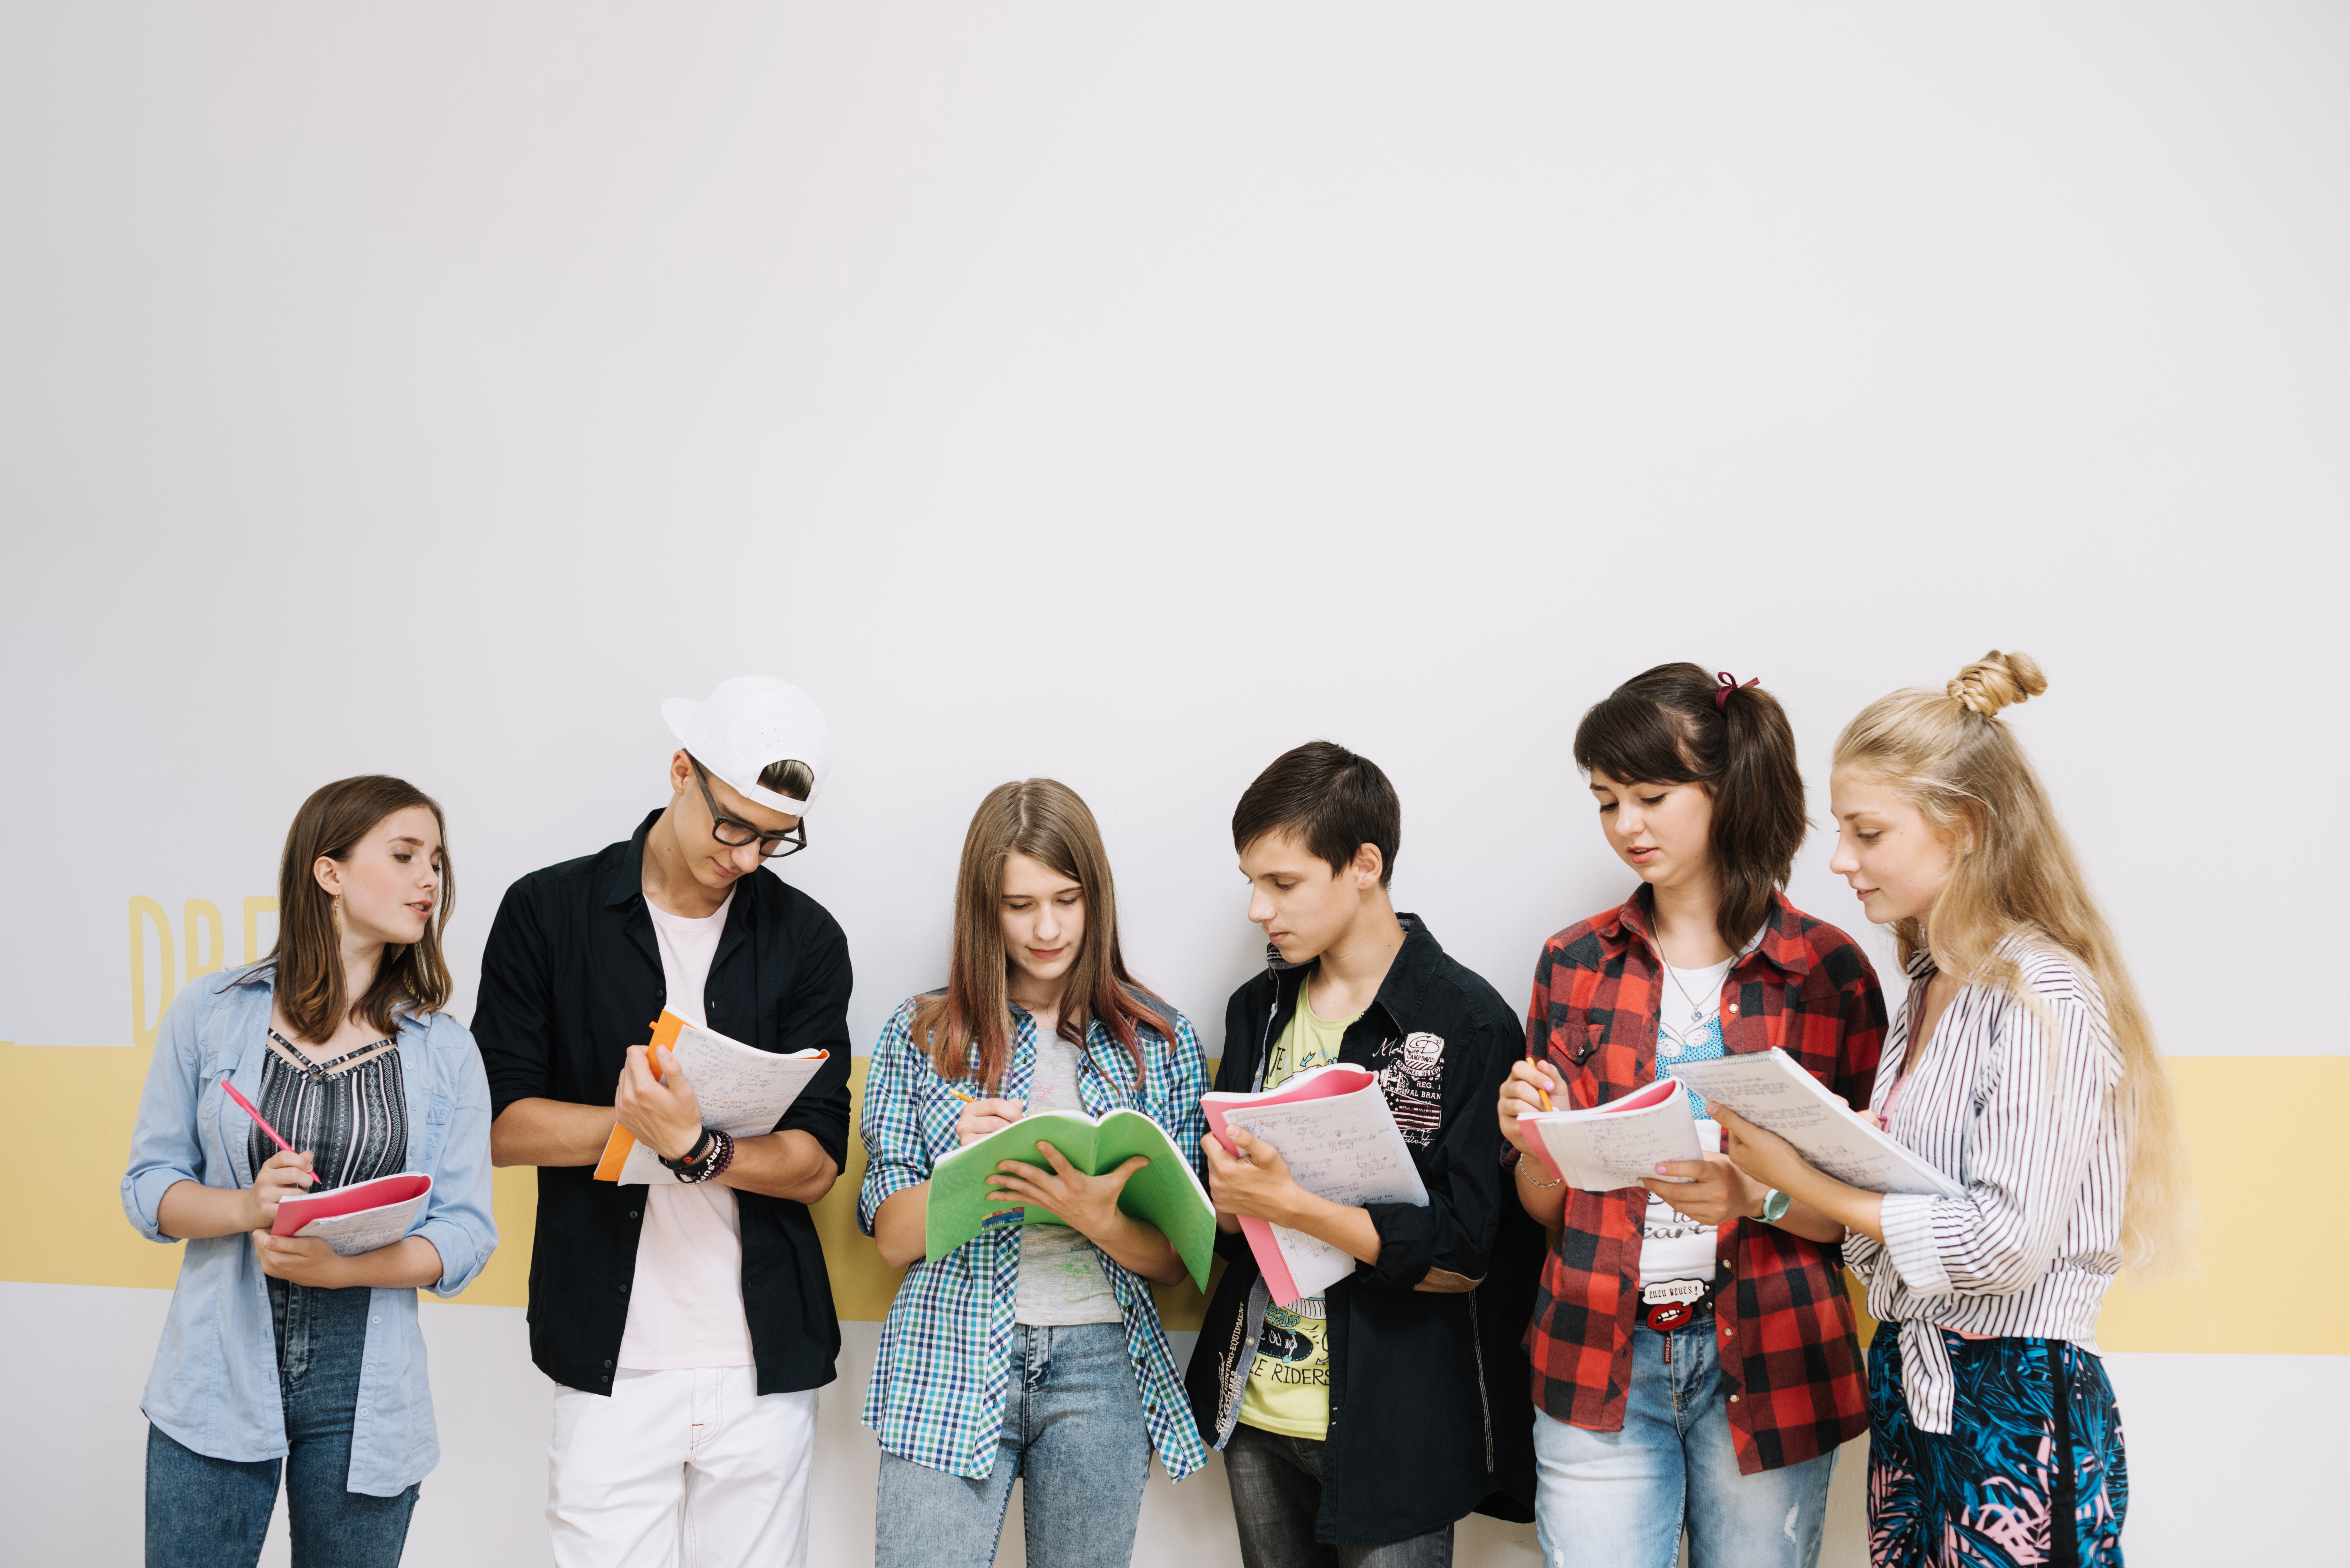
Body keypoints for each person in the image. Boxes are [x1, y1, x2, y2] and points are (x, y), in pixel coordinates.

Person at [1709, 652, 2194, 1568]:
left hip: (2014, 1398)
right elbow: (1894, 1230)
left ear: (1965, 827)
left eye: (1867, 832)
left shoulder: (2044, 995)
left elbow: (2003, 1246)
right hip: (1910, 1381)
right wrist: (1760, 1194)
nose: (1842, 862)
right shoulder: (1930, 988)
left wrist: (1808, 1180)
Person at [1498, 665, 1888, 1568]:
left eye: (1651, 796)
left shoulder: (1831, 972)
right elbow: (1548, 1206)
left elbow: (1870, 1217)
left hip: (1774, 1355)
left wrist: (1757, 1196)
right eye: (1605, 802)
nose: (1625, 826)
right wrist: (1532, 1145)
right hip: (1599, 1349)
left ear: (1730, 789)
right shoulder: (1572, 963)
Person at [472, 676, 854, 1568]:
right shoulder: (548, 912)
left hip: (764, 1359)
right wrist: (636, 1121)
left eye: (776, 839)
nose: (751, 858)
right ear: (682, 771)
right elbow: (498, 1124)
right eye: (735, 827)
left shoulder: (808, 941)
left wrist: (693, 1146)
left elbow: (814, 1163)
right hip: (611, 1358)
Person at [122, 776, 498, 1568]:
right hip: (217, 1369)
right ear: (328, 872)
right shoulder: (211, 1011)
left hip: (367, 1390)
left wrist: (341, 1268)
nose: (430, 878)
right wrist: (246, 1206)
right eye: (404, 855)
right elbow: (150, 1186)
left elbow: (465, 1233)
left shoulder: (444, 1048)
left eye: (437, 860)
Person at [1184, 741, 1536, 1568]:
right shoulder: (1255, 1012)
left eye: (1282, 883)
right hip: (1257, 1412)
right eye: (1251, 882)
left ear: (1364, 865)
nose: (1257, 910)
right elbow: (1229, 1227)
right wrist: (1226, 1205)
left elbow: (1465, 1253)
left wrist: (1296, 1206)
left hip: (1398, 1432)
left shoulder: (1468, 1022)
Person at [858, 779, 1209, 1568]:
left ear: (1097, 898)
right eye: (1019, 905)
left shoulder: (1156, 1039)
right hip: (946, 1349)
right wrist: (970, 1169)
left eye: (1067, 898)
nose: (1046, 928)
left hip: (1101, 1368)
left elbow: (1182, 1259)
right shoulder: (924, 1033)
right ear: (984, 907)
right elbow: (889, 1239)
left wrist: (1098, 1216)